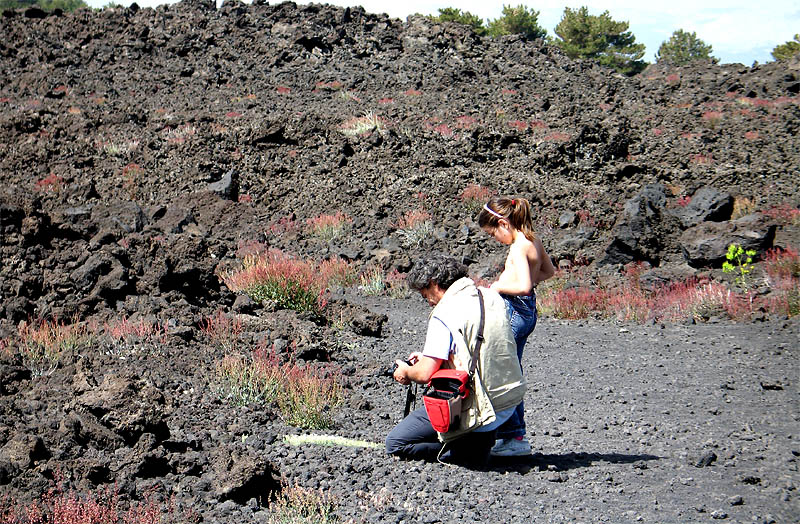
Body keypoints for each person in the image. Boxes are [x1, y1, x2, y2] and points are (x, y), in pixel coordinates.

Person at [385, 255, 526, 467]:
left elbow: (424, 374)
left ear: (433, 284)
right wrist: (433, 358)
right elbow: (478, 348)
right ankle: (478, 443)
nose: (429, 302)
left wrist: (405, 371)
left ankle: (465, 450)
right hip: (507, 405)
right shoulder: (490, 297)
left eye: (425, 295)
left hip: (478, 409)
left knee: (395, 443)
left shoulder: (444, 312)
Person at [478, 196, 556, 457]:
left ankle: (513, 436)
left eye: (493, 234)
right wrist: (529, 279)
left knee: (504, 371)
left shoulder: (518, 247)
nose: (495, 239)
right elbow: (548, 272)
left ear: (503, 223)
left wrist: (498, 286)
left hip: (514, 310)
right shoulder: (533, 240)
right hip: (528, 311)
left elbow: (523, 286)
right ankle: (510, 434)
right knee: (511, 367)